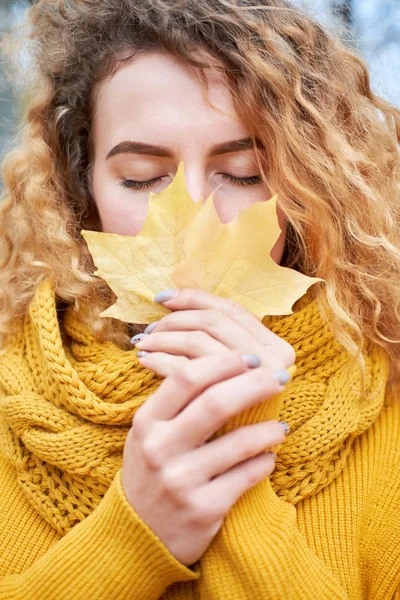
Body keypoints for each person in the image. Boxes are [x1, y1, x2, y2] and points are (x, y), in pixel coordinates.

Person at [0, 0, 399, 598]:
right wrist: (131, 538)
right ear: (80, 191)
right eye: (141, 176)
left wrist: (236, 457)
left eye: (242, 172)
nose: (195, 216)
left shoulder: (386, 409)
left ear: (309, 187)